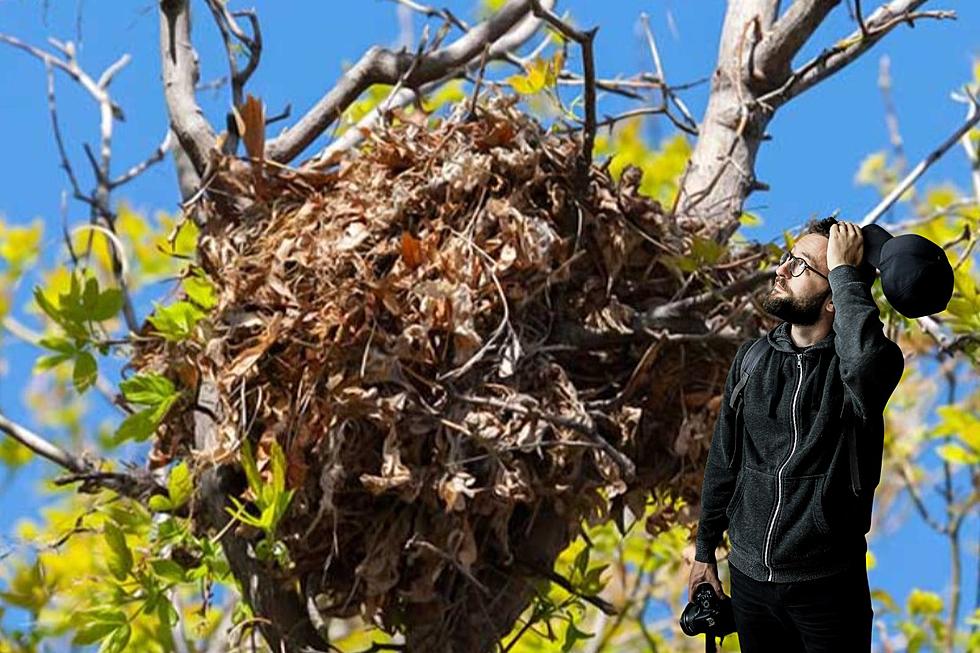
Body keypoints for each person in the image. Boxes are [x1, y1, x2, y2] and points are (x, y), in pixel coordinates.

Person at [688, 218, 905, 651]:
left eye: (802, 266)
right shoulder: (752, 361)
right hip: (749, 582)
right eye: (787, 258)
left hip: (827, 589)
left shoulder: (865, 368)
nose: (782, 270)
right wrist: (703, 552)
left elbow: (863, 364)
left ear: (832, 301)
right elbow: (723, 461)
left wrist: (845, 272)